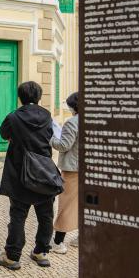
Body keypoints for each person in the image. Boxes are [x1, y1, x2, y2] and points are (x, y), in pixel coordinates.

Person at [0, 81, 57, 270]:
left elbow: (3, 133)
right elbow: (51, 135)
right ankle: (41, 252)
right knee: (45, 215)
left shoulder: (13, 117)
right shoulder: (47, 116)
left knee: (18, 215)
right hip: (44, 171)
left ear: (20, 97)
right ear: (39, 97)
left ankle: (12, 257)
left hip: (20, 172)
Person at [50, 92, 79, 254]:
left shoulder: (72, 123)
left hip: (72, 170)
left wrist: (51, 137)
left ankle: (58, 242)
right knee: (85, 205)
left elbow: (64, 145)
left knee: (65, 206)